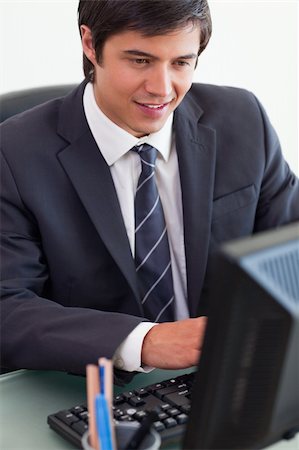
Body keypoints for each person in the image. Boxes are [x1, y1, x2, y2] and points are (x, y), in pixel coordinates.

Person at [0, 0, 298, 381]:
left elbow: (291, 246)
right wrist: (144, 341)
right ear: (90, 45)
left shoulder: (242, 119)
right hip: (90, 390)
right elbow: (7, 307)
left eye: (180, 63)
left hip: (230, 376)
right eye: (139, 60)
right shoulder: (12, 153)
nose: (161, 89)